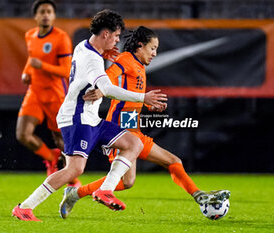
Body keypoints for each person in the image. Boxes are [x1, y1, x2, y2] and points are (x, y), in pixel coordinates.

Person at [58, 26, 230, 219]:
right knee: (162, 166)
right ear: (140, 46)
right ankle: (75, 194)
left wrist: (147, 105)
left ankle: (75, 194)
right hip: (119, 131)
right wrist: (100, 89)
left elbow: (129, 100)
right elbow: (111, 74)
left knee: (138, 177)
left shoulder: (138, 66)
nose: (155, 53)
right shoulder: (126, 59)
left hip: (132, 128)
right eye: (152, 48)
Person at [12, 9, 167, 222]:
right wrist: (144, 97)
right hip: (77, 117)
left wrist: (105, 54)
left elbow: (94, 71)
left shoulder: (83, 46)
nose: (117, 40)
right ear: (105, 34)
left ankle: (105, 190)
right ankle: (25, 207)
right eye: (115, 36)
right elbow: (108, 88)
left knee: (133, 144)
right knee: (74, 168)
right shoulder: (93, 60)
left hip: (91, 117)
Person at [15, 0, 79, 187]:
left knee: (60, 139)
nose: (45, 14)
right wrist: (26, 71)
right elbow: (32, 59)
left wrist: (41, 66)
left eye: (49, 11)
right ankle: (51, 157)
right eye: (42, 11)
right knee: (23, 135)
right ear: (35, 16)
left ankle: (71, 177)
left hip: (55, 93)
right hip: (34, 92)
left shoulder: (61, 38)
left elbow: (66, 71)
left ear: (53, 16)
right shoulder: (30, 36)